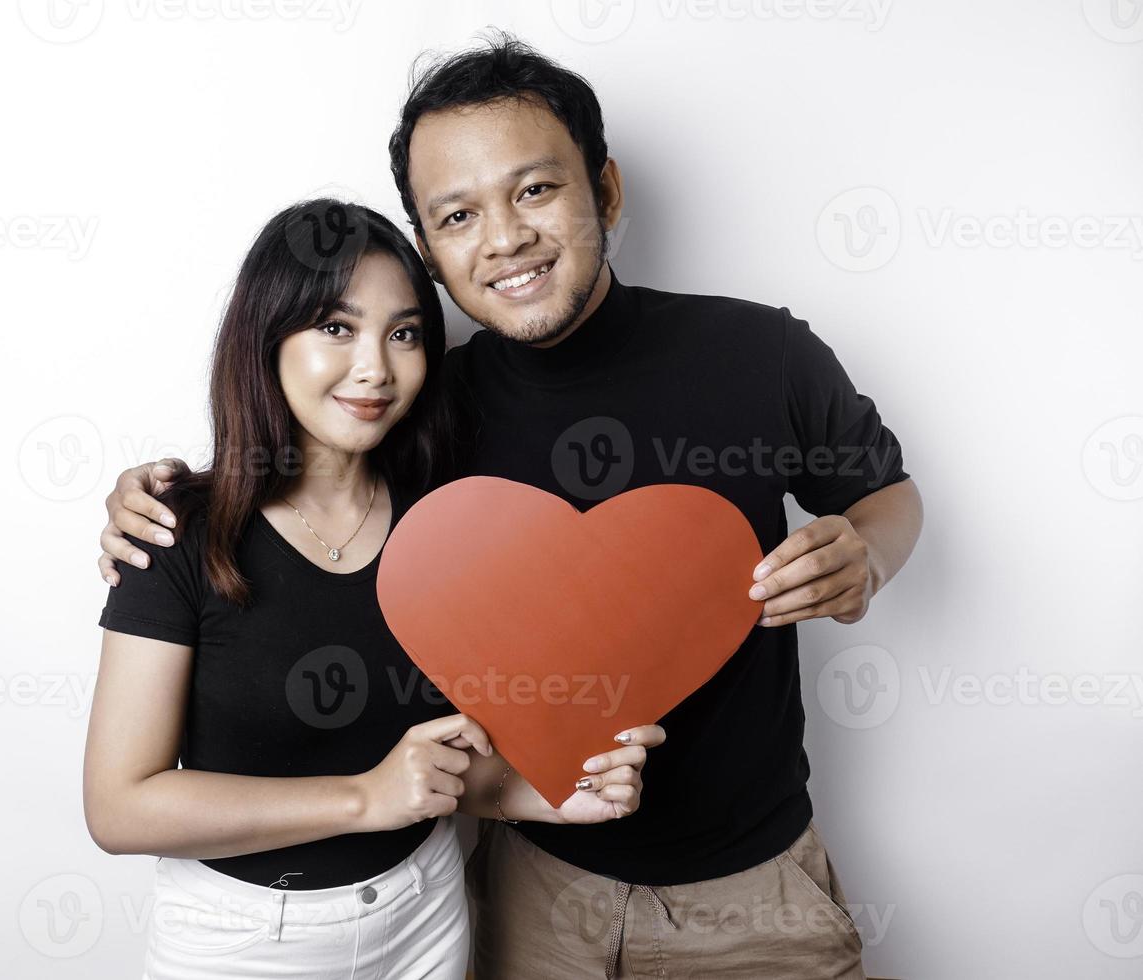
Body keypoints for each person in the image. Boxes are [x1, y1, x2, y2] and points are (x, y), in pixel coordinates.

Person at [98, 34, 925, 980]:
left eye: (535, 190)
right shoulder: (417, 409)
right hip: (525, 886)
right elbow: (307, 503)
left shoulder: (761, 354)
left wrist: (867, 553)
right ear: (431, 253)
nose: (504, 238)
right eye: (458, 214)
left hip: (753, 889)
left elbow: (887, 497)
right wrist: (162, 498)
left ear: (605, 191)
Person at [82, 198, 660, 980]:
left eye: (405, 333)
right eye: (336, 328)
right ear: (267, 335)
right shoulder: (177, 528)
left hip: (424, 913)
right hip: (244, 942)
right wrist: (363, 798)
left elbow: (444, 769)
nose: (375, 367)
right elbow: (119, 807)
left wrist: (554, 793)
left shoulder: (446, 521)